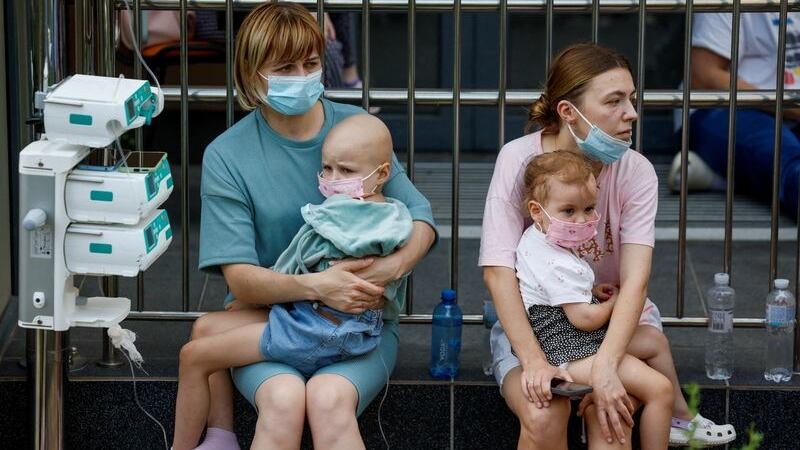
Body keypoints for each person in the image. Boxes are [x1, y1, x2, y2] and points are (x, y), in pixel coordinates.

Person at [191, 3, 436, 449]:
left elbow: (421, 216)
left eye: (311, 63)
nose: (302, 75)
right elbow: (241, 279)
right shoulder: (228, 155)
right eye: (285, 67)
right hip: (269, 319)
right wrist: (321, 286)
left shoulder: (357, 129)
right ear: (251, 74)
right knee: (283, 399)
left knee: (328, 400)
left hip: (363, 324)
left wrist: (390, 268)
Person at [480, 42, 734, 449]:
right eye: (614, 101)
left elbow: (636, 280)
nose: (631, 113)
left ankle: (676, 419)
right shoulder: (517, 160)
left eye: (631, 99)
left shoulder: (637, 171)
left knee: (611, 412)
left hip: (616, 328)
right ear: (568, 112)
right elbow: (497, 270)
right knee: (543, 414)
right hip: (538, 330)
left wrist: (606, 367)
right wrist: (534, 362)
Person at [174, 114, 412, 449]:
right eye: (327, 169)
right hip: (355, 329)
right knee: (208, 326)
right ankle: (220, 438)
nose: (332, 179)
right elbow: (419, 221)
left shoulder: (333, 217)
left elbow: (293, 264)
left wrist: (257, 296)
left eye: (346, 171)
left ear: (383, 173)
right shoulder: (397, 217)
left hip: (312, 329)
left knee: (193, 356)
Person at [515, 150, 673, 449]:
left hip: (581, 342)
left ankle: (676, 415)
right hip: (571, 352)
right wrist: (614, 303)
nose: (582, 219)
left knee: (654, 341)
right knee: (660, 389)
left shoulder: (542, 239)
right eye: (569, 211)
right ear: (537, 211)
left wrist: (593, 292)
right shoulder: (553, 258)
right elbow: (583, 319)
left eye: (589, 208)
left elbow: (561, 294)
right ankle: (670, 420)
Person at [685, 12, 800, 216]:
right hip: (728, 108)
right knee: (789, 161)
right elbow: (703, 76)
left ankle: (724, 176)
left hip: (789, 113)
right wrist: (790, 105)